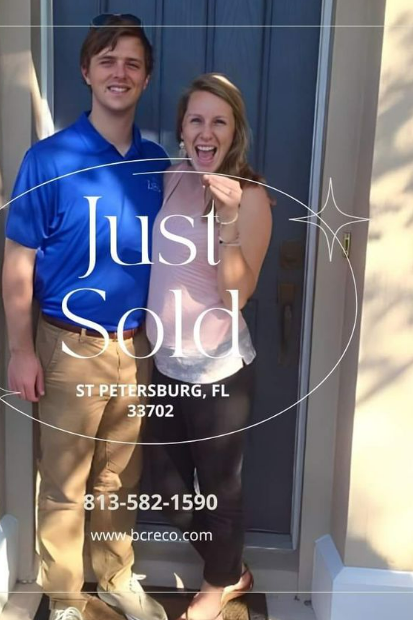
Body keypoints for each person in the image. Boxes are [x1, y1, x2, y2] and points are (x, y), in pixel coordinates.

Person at [2, 14, 169, 620]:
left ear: (146, 77)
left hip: (135, 346)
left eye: (131, 62)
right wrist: (21, 349)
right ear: (86, 71)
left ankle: (116, 576)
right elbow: (17, 262)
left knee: (120, 476)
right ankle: (68, 600)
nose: (118, 72)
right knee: (67, 483)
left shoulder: (158, 165)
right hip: (68, 345)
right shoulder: (48, 160)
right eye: (107, 60)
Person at [144, 74, 273, 620]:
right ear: (182, 128)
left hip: (218, 369)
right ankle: (232, 566)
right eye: (196, 119)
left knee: (219, 490)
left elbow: (236, 294)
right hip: (163, 364)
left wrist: (225, 221)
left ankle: (219, 583)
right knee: (172, 493)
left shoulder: (251, 196)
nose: (205, 131)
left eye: (218, 121)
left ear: (233, 132)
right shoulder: (170, 176)